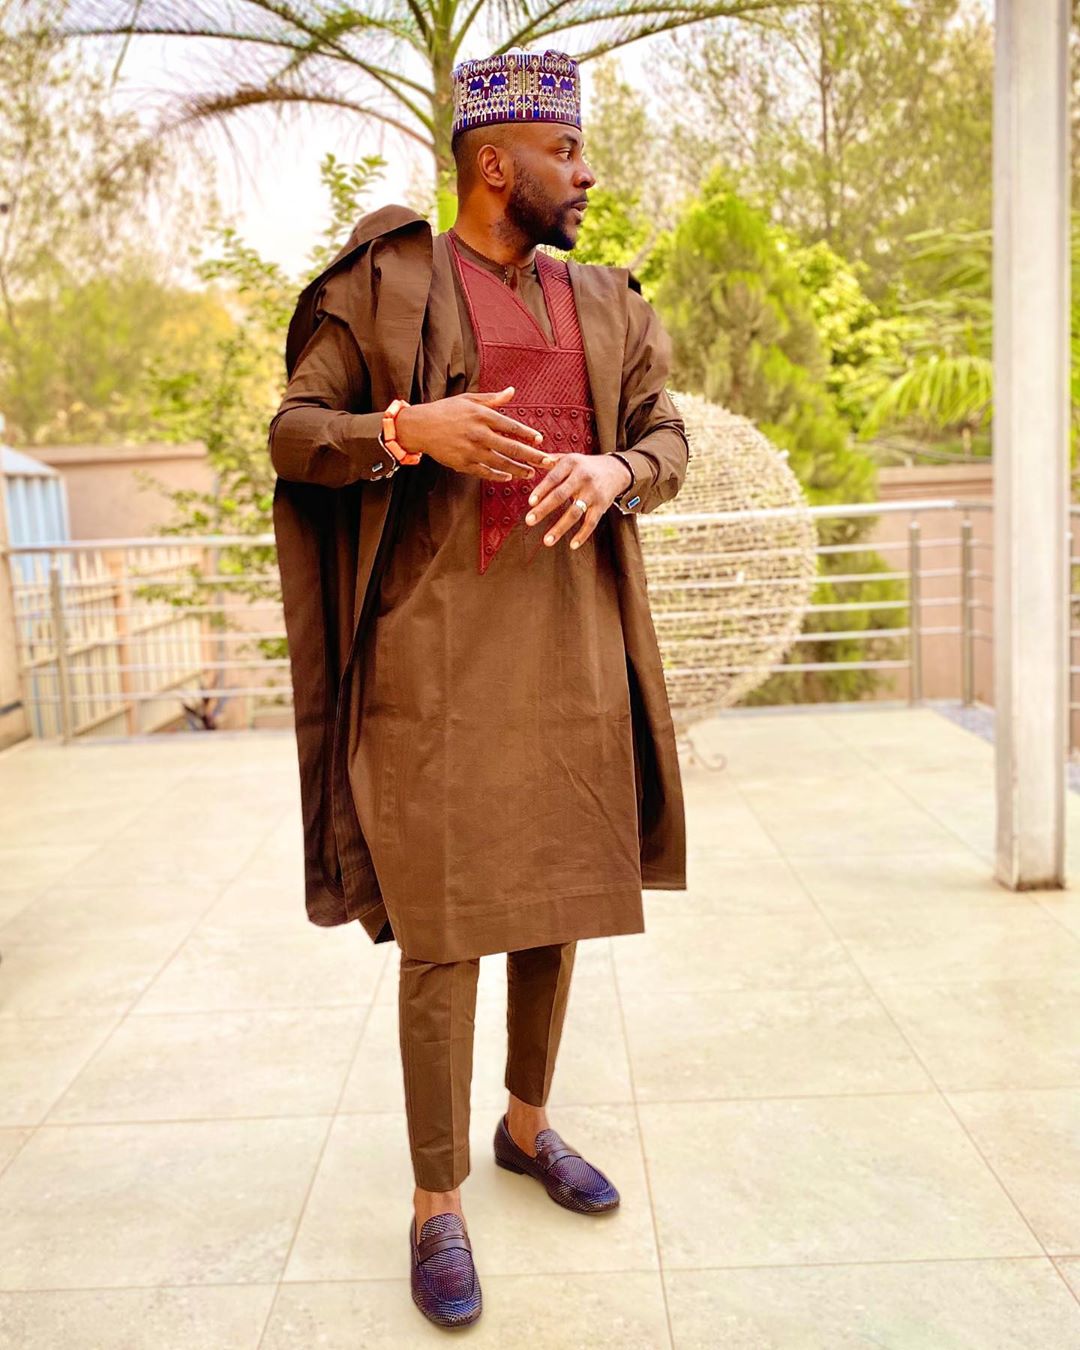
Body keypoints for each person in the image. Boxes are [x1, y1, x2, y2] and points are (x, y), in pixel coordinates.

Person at [268, 46, 689, 1330]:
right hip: (432, 673)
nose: (587, 172)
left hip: (573, 657)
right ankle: (435, 1201)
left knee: (556, 902)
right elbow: (293, 433)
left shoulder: (607, 301)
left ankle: (525, 1125)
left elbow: (667, 435)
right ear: (494, 163)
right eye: (567, 152)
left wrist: (619, 473)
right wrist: (404, 431)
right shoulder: (387, 285)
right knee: (445, 936)